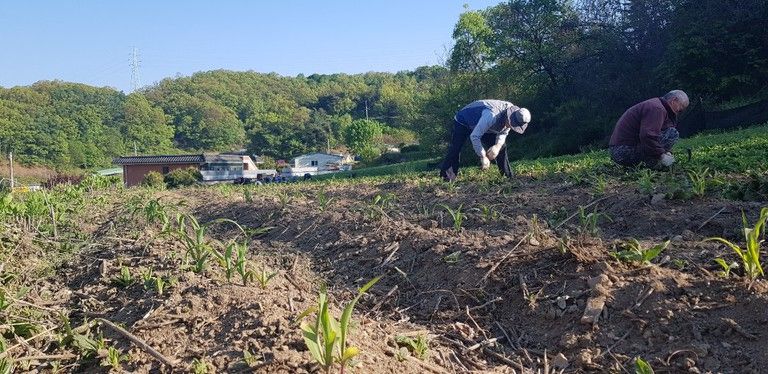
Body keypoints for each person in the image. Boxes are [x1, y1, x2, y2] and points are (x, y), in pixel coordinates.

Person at [439, 99, 531, 181]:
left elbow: (503, 133)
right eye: (511, 123)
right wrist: (483, 156)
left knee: (501, 147)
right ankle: (447, 178)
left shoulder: (514, 113)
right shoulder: (491, 116)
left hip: (486, 125)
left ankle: (508, 177)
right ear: (509, 117)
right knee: (456, 147)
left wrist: (497, 146)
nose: (511, 126)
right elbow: (475, 136)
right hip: (463, 121)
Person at [609, 90, 689, 168]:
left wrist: (667, 152)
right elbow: (647, 136)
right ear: (673, 100)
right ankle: (653, 162)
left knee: (669, 132)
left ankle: (653, 161)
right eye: (681, 108)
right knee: (672, 134)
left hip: (621, 149)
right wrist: (661, 155)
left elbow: (656, 134)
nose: (679, 112)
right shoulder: (657, 108)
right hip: (623, 151)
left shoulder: (657, 106)